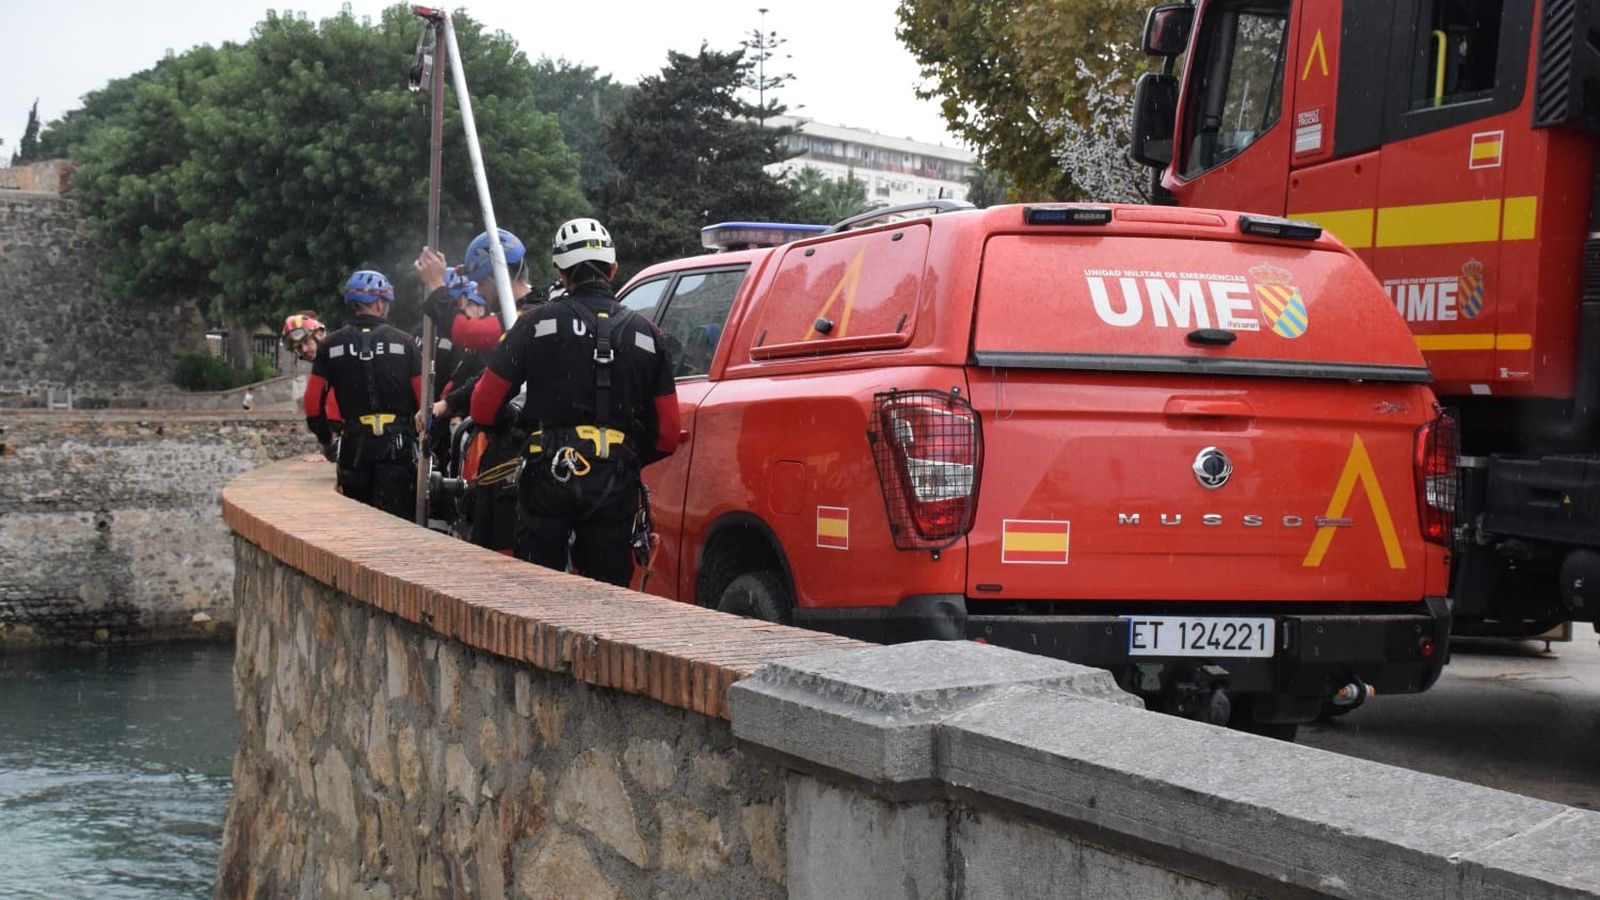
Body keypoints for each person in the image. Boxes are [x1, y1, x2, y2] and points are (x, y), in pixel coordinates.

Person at [470, 217, 681, 586]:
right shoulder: (648, 334)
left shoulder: (535, 323)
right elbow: (667, 433)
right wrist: (624, 456)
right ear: (613, 269)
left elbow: (483, 406)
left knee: (539, 589)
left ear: (561, 273)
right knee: (608, 593)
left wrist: (516, 431)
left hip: (548, 473)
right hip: (615, 480)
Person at [303, 269, 423, 519]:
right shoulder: (405, 342)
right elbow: (423, 398)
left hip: (354, 447)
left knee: (358, 520)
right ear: (380, 303)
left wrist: (326, 440)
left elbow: (313, 402)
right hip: (397, 447)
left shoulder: (330, 345)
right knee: (398, 522)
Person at [284, 312, 342, 460]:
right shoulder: (328, 363)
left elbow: (315, 403)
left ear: (320, 334)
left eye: (306, 342)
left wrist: (327, 442)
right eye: (298, 348)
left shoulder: (338, 361)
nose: (303, 350)